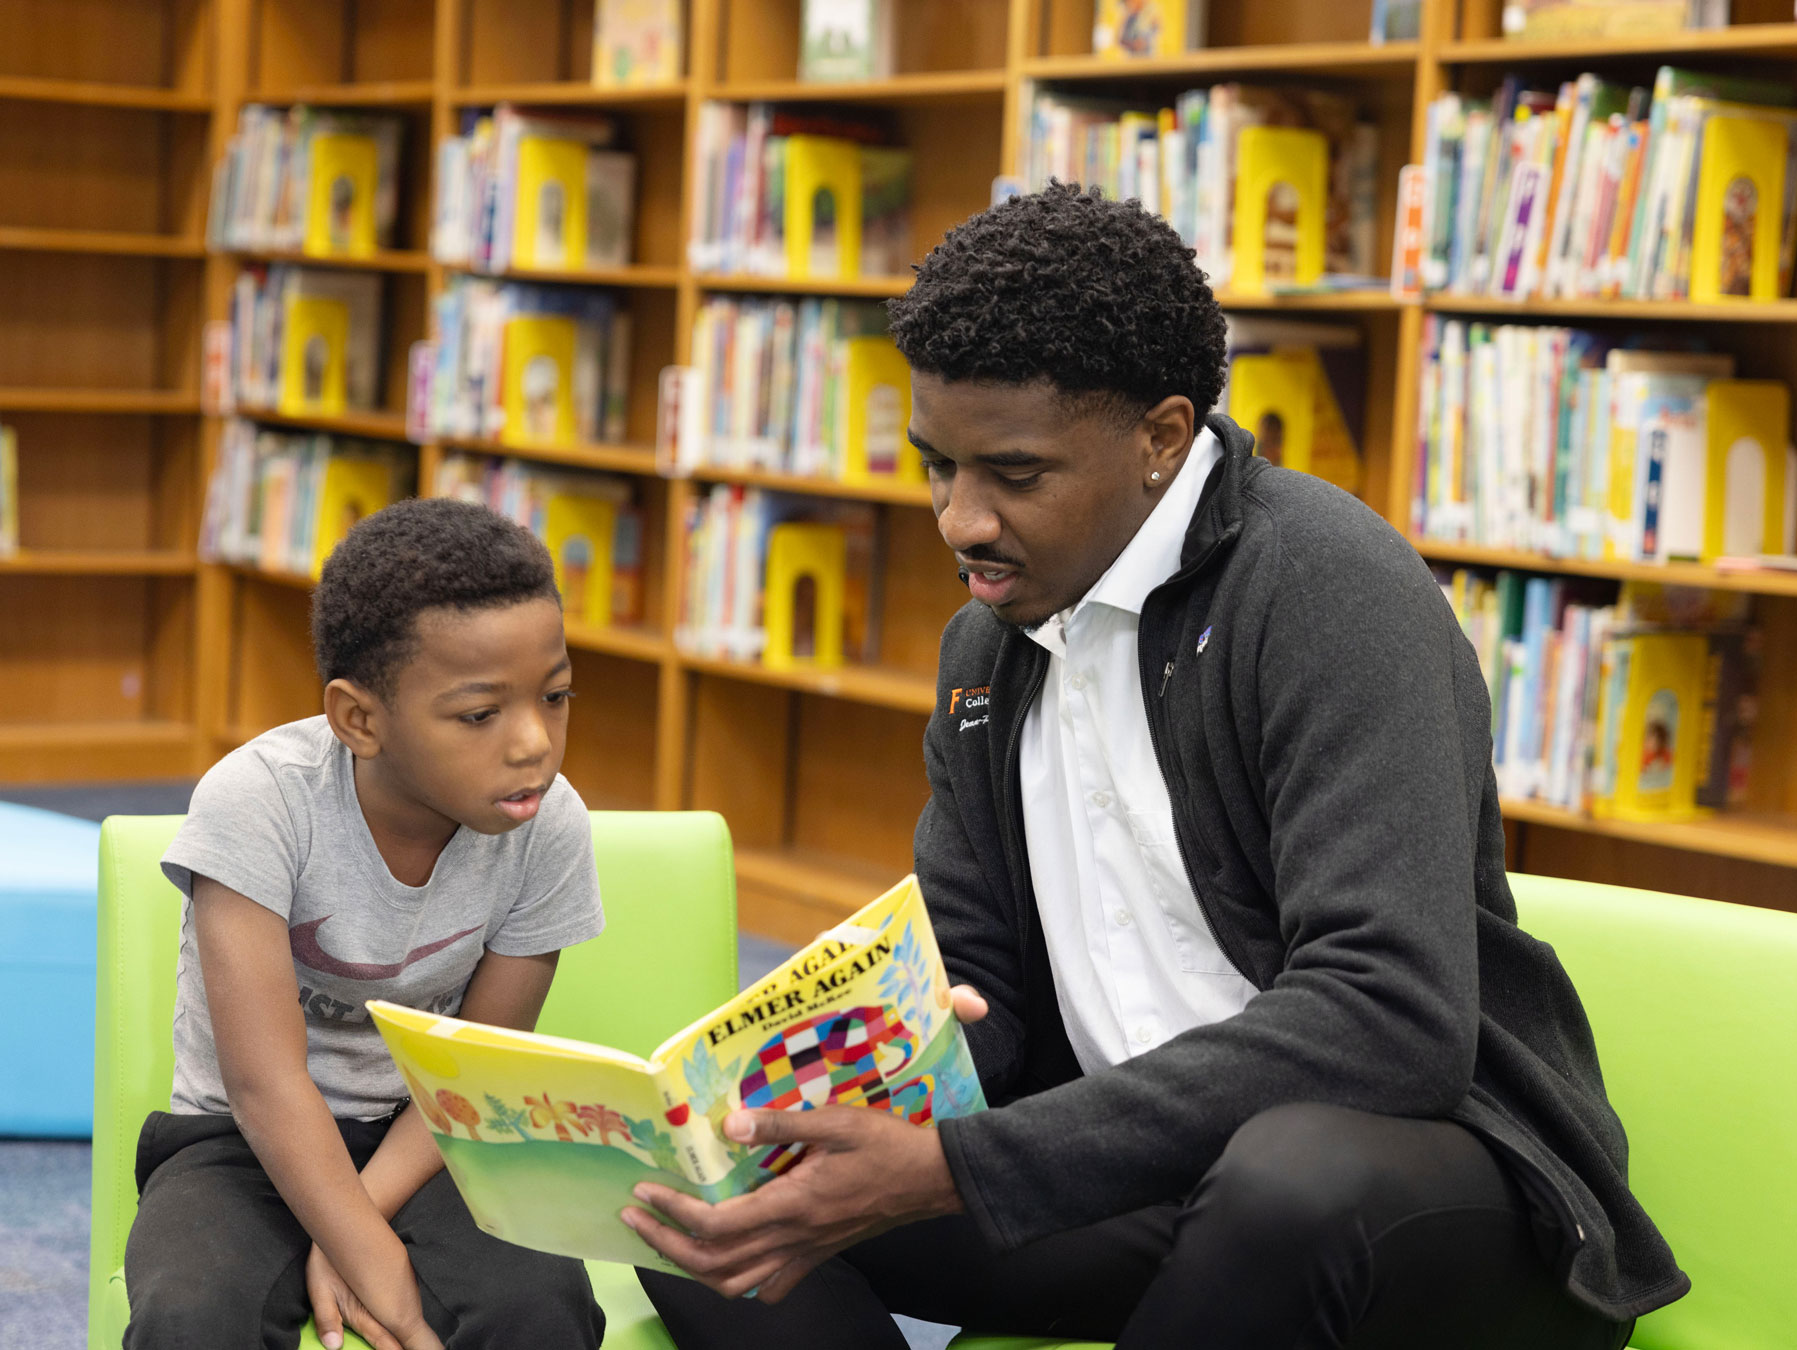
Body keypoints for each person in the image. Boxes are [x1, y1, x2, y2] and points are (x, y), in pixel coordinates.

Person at [627, 185, 1688, 1348]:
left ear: (1162, 439)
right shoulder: (988, 646)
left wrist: (962, 1164)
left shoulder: (1327, 591)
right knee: (708, 1215)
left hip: (1416, 1202)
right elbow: (974, 967)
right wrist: (847, 1097)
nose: (960, 521)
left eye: (1015, 476)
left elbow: (1389, 1019)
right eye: (938, 466)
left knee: (1287, 1179)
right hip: (1136, 1172)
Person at [127, 498, 607, 1350]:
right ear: (360, 719)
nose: (535, 742)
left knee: (540, 1307)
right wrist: (373, 1258)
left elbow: (476, 1067)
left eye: (557, 695)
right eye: (479, 714)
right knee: (191, 1318)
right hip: (241, 1141)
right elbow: (264, 1085)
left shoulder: (550, 827)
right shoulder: (258, 803)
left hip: (440, 1133)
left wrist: (355, 1229)